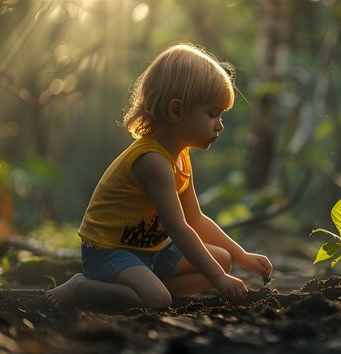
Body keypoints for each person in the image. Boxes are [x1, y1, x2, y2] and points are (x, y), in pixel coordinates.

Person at [45, 42, 272, 309]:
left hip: (153, 251)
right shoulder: (152, 161)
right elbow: (178, 227)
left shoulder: (181, 157)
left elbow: (195, 218)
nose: (220, 125)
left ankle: (149, 286)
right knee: (157, 299)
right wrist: (220, 280)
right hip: (110, 252)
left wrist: (240, 256)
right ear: (176, 111)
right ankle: (83, 288)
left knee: (221, 258)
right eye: (212, 114)